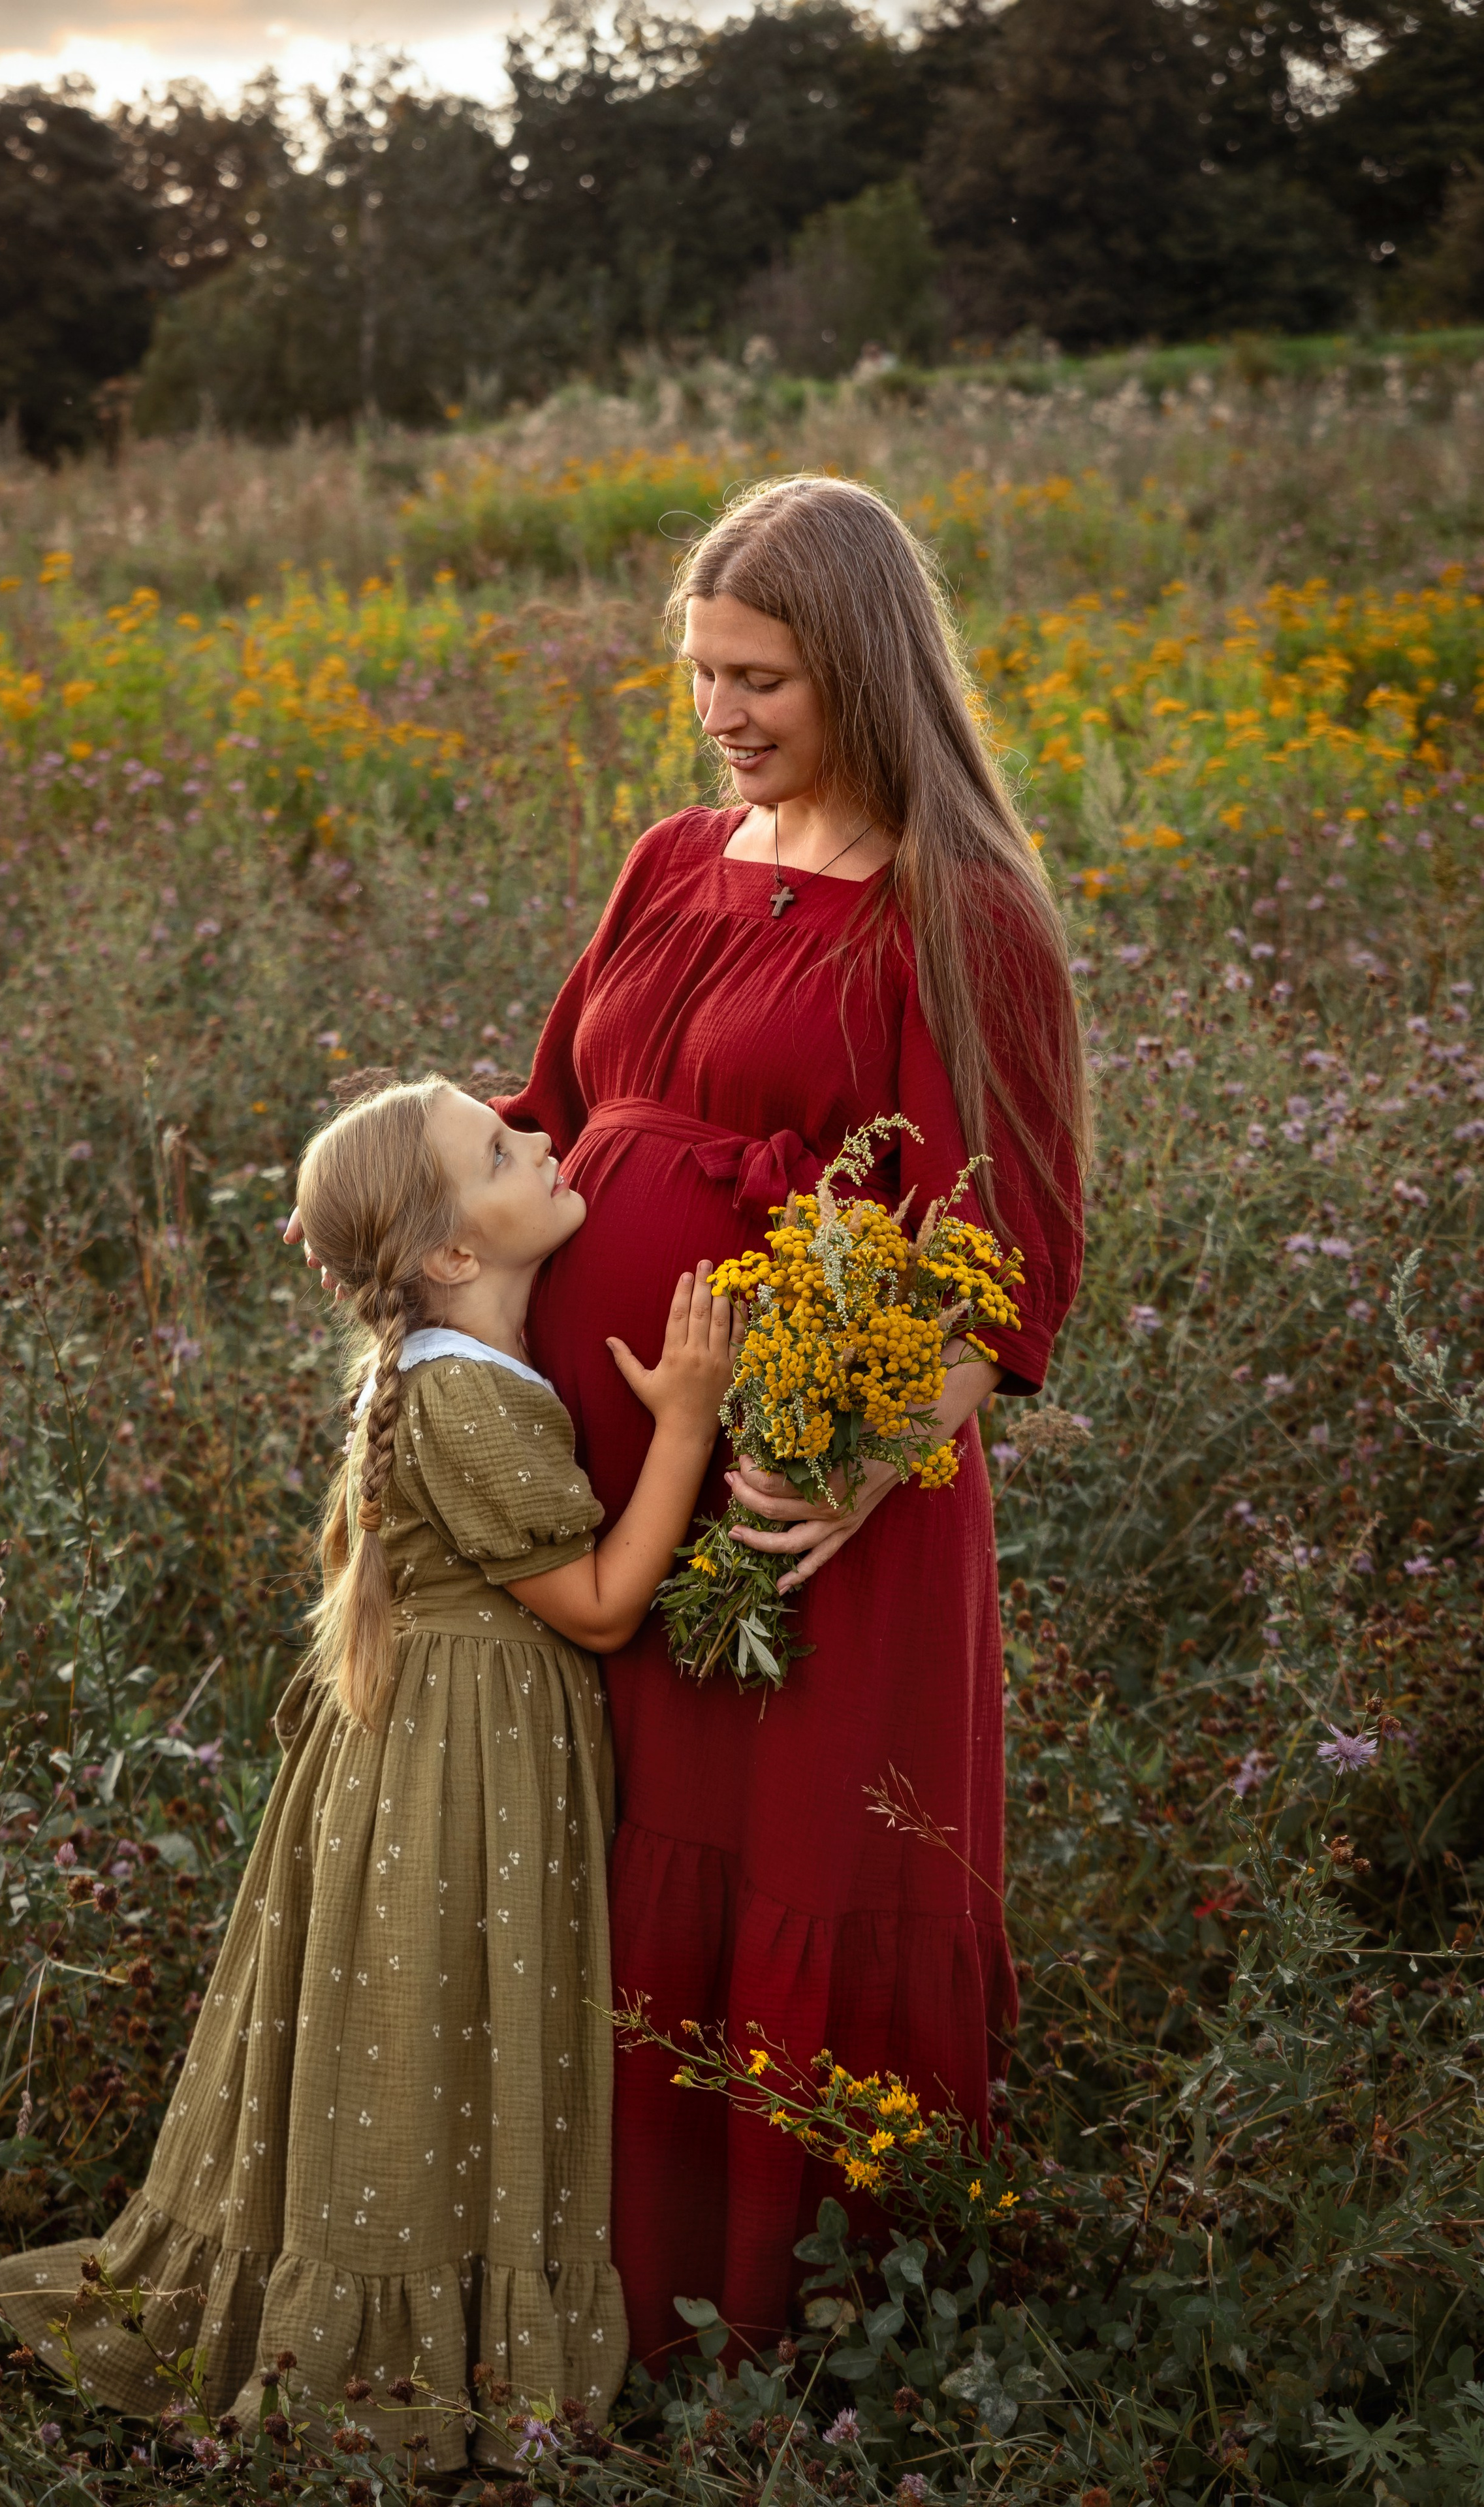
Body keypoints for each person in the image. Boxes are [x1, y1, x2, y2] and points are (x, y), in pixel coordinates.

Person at [488, 475, 1090, 2367]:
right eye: (701, 673)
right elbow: (548, 1108)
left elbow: (1013, 1255)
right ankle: (588, 2293)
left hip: (796, 1507)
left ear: (863, 670)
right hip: (605, 1475)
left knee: (777, 1865)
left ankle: (796, 2338)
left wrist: (855, 1460)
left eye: (760, 679)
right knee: (615, 1857)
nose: (720, 714)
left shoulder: (962, 913)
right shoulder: (672, 858)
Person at [0, 1075, 738, 2468]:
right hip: (462, 1762)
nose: (545, 1139)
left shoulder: (449, 1370)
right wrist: (689, 1422)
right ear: (451, 1252)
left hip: (450, 1742)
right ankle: (386, 2356)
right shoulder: (464, 1395)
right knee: (434, 2014)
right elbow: (596, 1610)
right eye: (505, 1148)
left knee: (436, 2014)